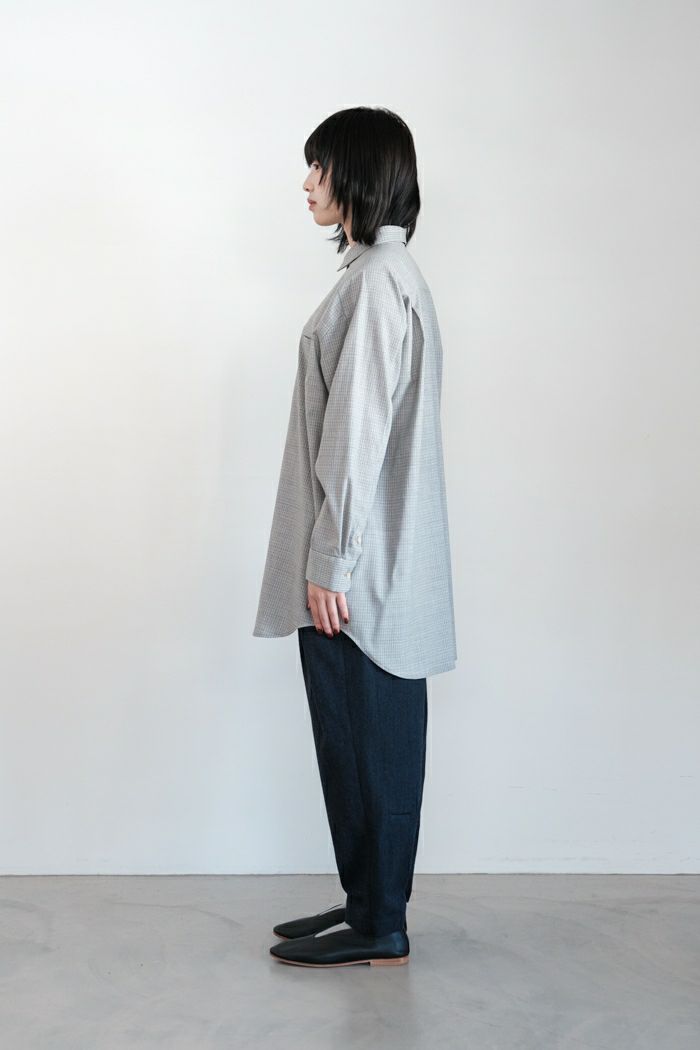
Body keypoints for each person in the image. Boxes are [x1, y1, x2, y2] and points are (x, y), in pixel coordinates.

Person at [253, 106, 457, 967]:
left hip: (358, 575)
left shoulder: (376, 282)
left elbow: (356, 433)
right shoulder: (384, 273)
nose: (307, 183)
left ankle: (380, 924)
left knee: (368, 745)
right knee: (363, 744)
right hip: (373, 565)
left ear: (360, 174)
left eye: (321, 166)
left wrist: (331, 560)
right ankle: (367, 902)